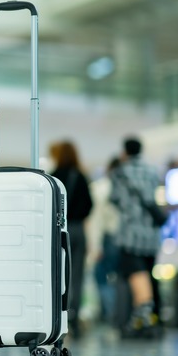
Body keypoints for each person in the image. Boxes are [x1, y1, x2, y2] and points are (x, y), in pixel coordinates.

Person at [109, 137, 162, 338]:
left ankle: (144, 315)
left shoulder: (120, 172)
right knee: (147, 274)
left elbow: (115, 200)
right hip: (151, 233)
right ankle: (143, 316)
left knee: (136, 275)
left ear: (125, 151)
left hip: (131, 233)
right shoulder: (152, 170)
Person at [50, 140, 93, 337]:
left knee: (57, 273)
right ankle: (73, 317)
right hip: (77, 229)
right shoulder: (81, 176)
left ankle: (56, 316)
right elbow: (89, 205)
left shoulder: (53, 177)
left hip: (58, 230)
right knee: (77, 275)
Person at [89, 158, 122, 324]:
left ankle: (110, 314)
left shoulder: (100, 187)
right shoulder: (125, 188)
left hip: (107, 237)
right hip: (124, 238)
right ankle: (118, 314)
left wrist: (95, 246)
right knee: (119, 278)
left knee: (101, 277)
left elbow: (97, 220)